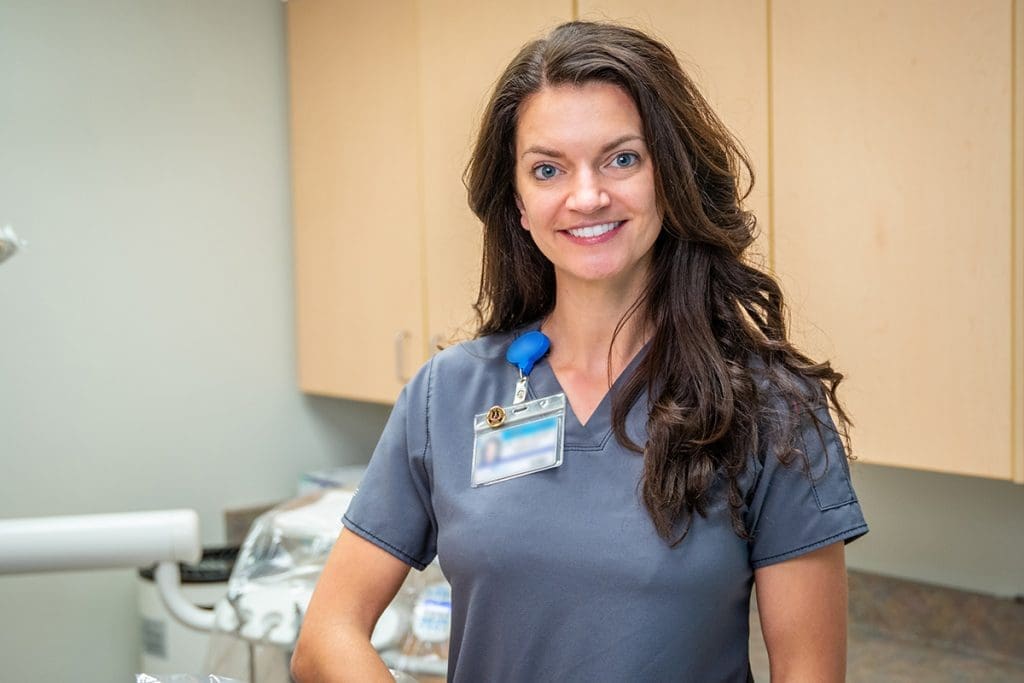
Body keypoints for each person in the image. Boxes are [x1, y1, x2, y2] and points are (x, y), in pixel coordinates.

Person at [291, 20, 867, 683]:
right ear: (518, 203)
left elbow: (809, 672)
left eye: (622, 158)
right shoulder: (447, 394)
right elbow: (327, 633)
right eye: (547, 169)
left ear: (669, 176)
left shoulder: (768, 406)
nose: (587, 195)